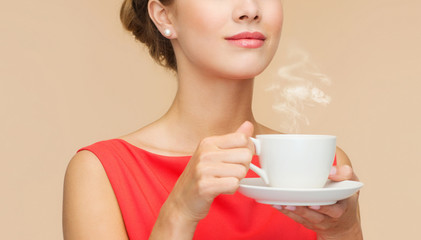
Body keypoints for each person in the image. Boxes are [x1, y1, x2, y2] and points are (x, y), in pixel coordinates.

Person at [62, 0, 363, 239]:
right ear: (164, 17)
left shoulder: (326, 170)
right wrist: (179, 213)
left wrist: (343, 231)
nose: (250, 10)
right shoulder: (101, 173)